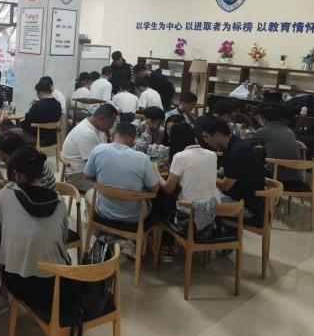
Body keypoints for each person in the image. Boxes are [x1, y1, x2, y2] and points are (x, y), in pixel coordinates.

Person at [0, 146, 72, 316]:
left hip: (18, 284)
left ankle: (1, 298)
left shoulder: (8, 192)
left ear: (16, 173)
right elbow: (64, 238)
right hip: (55, 285)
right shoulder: (59, 202)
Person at [83, 122, 160, 257]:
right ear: (133, 138)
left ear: (113, 135)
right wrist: (155, 171)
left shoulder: (99, 150)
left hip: (104, 211)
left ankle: (101, 235)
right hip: (134, 217)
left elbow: (87, 175)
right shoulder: (142, 158)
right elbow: (155, 189)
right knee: (152, 201)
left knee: (89, 194)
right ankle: (131, 242)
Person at [200, 117, 266, 220]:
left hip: (245, 206)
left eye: (206, 137)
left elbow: (225, 185)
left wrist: (204, 176)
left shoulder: (237, 152)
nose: (205, 141)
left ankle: (204, 230)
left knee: (196, 203)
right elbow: (222, 172)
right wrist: (203, 170)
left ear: (217, 135)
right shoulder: (232, 143)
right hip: (241, 196)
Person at [61, 103, 118, 192]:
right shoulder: (86, 133)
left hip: (87, 171)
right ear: (102, 118)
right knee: (115, 188)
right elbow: (94, 165)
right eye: (111, 122)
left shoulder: (98, 127)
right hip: (77, 175)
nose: (112, 125)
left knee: (120, 181)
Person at [161, 123, 221, 205]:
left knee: (163, 199)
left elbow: (168, 189)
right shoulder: (212, 155)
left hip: (189, 206)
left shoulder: (179, 157)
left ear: (174, 139)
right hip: (214, 205)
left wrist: (156, 172)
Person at [247, 104, 302, 185]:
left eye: (258, 119)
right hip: (297, 177)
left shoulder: (264, 131)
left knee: (246, 169)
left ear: (263, 119)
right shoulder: (288, 129)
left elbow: (244, 144)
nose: (258, 122)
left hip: (278, 177)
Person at [21, 79, 62, 146]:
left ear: (40, 92)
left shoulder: (37, 105)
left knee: (15, 133)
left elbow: (28, 118)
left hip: (38, 139)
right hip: (53, 139)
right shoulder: (58, 104)